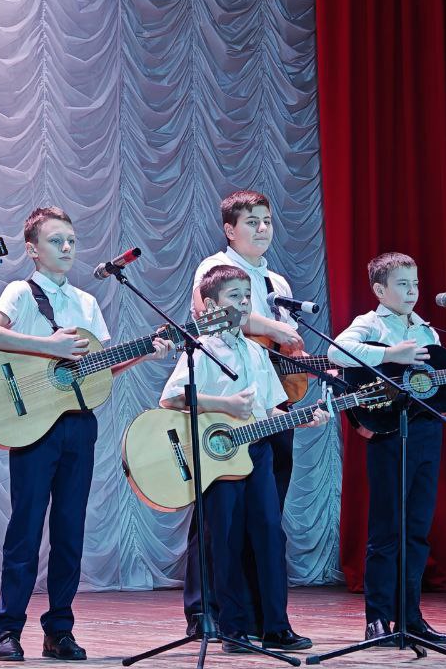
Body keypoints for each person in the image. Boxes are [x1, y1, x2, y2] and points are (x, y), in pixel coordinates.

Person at [0, 206, 173, 662]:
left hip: (78, 423)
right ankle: (7, 630)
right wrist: (49, 346)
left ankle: (59, 630)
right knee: (26, 527)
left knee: (70, 529)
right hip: (33, 423)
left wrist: (143, 354)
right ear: (32, 249)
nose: (66, 247)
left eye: (71, 240)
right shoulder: (20, 292)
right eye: (55, 240)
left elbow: (96, 369)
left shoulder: (86, 302)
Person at [329, 251, 446, 645]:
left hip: (427, 433)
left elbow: (439, 389)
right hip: (390, 432)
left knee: (416, 530)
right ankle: (378, 618)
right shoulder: (370, 323)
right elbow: (335, 351)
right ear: (380, 290)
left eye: (414, 283)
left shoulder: (427, 331)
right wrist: (390, 354)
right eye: (402, 284)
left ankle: (411, 616)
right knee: (386, 530)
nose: (412, 291)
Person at [162, 264, 327, 653]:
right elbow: (171, 398)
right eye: (234, 296)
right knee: (226, 539)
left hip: (258, 452)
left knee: (270, 534)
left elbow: (269, 409)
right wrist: (225, 405)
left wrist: (302, 418)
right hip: (220, 460)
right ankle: (232, 627)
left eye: (247, 296)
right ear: (211, 305)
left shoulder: (256, 351)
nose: (243, 303)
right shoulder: (202, 350)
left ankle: (275, 626)